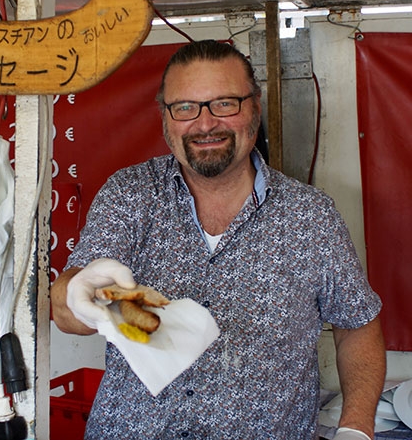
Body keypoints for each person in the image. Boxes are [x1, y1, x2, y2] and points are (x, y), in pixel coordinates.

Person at [51, 40, 386, 440]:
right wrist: (77, 296)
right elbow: (65, 311)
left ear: (254, 108)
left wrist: (357, 428)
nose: (205, 124)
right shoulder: (130, 195)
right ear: (165, 118)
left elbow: (357, 325)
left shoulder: (310, 216)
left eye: (224, 103)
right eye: (185, 107)